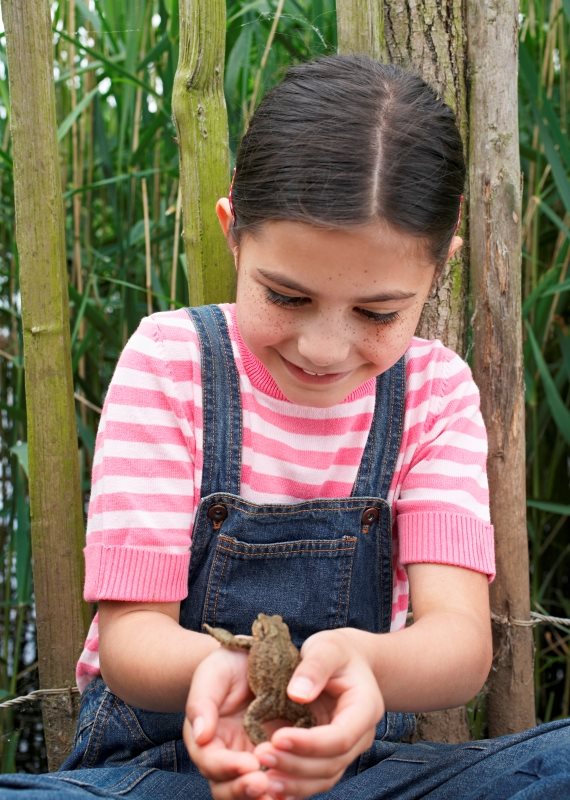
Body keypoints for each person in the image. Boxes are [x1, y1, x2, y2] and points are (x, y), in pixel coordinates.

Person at [2, 54, 569, 800]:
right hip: (161, 777)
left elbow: (459, 645)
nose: (324, 349)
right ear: (234, 234)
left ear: (440, 269)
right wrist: (217, 674)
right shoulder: (172, 366)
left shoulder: (435, 395)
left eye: (377, 313)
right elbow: (131, 638)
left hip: (362, 776)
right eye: (287, 297)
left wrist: (365, 668)